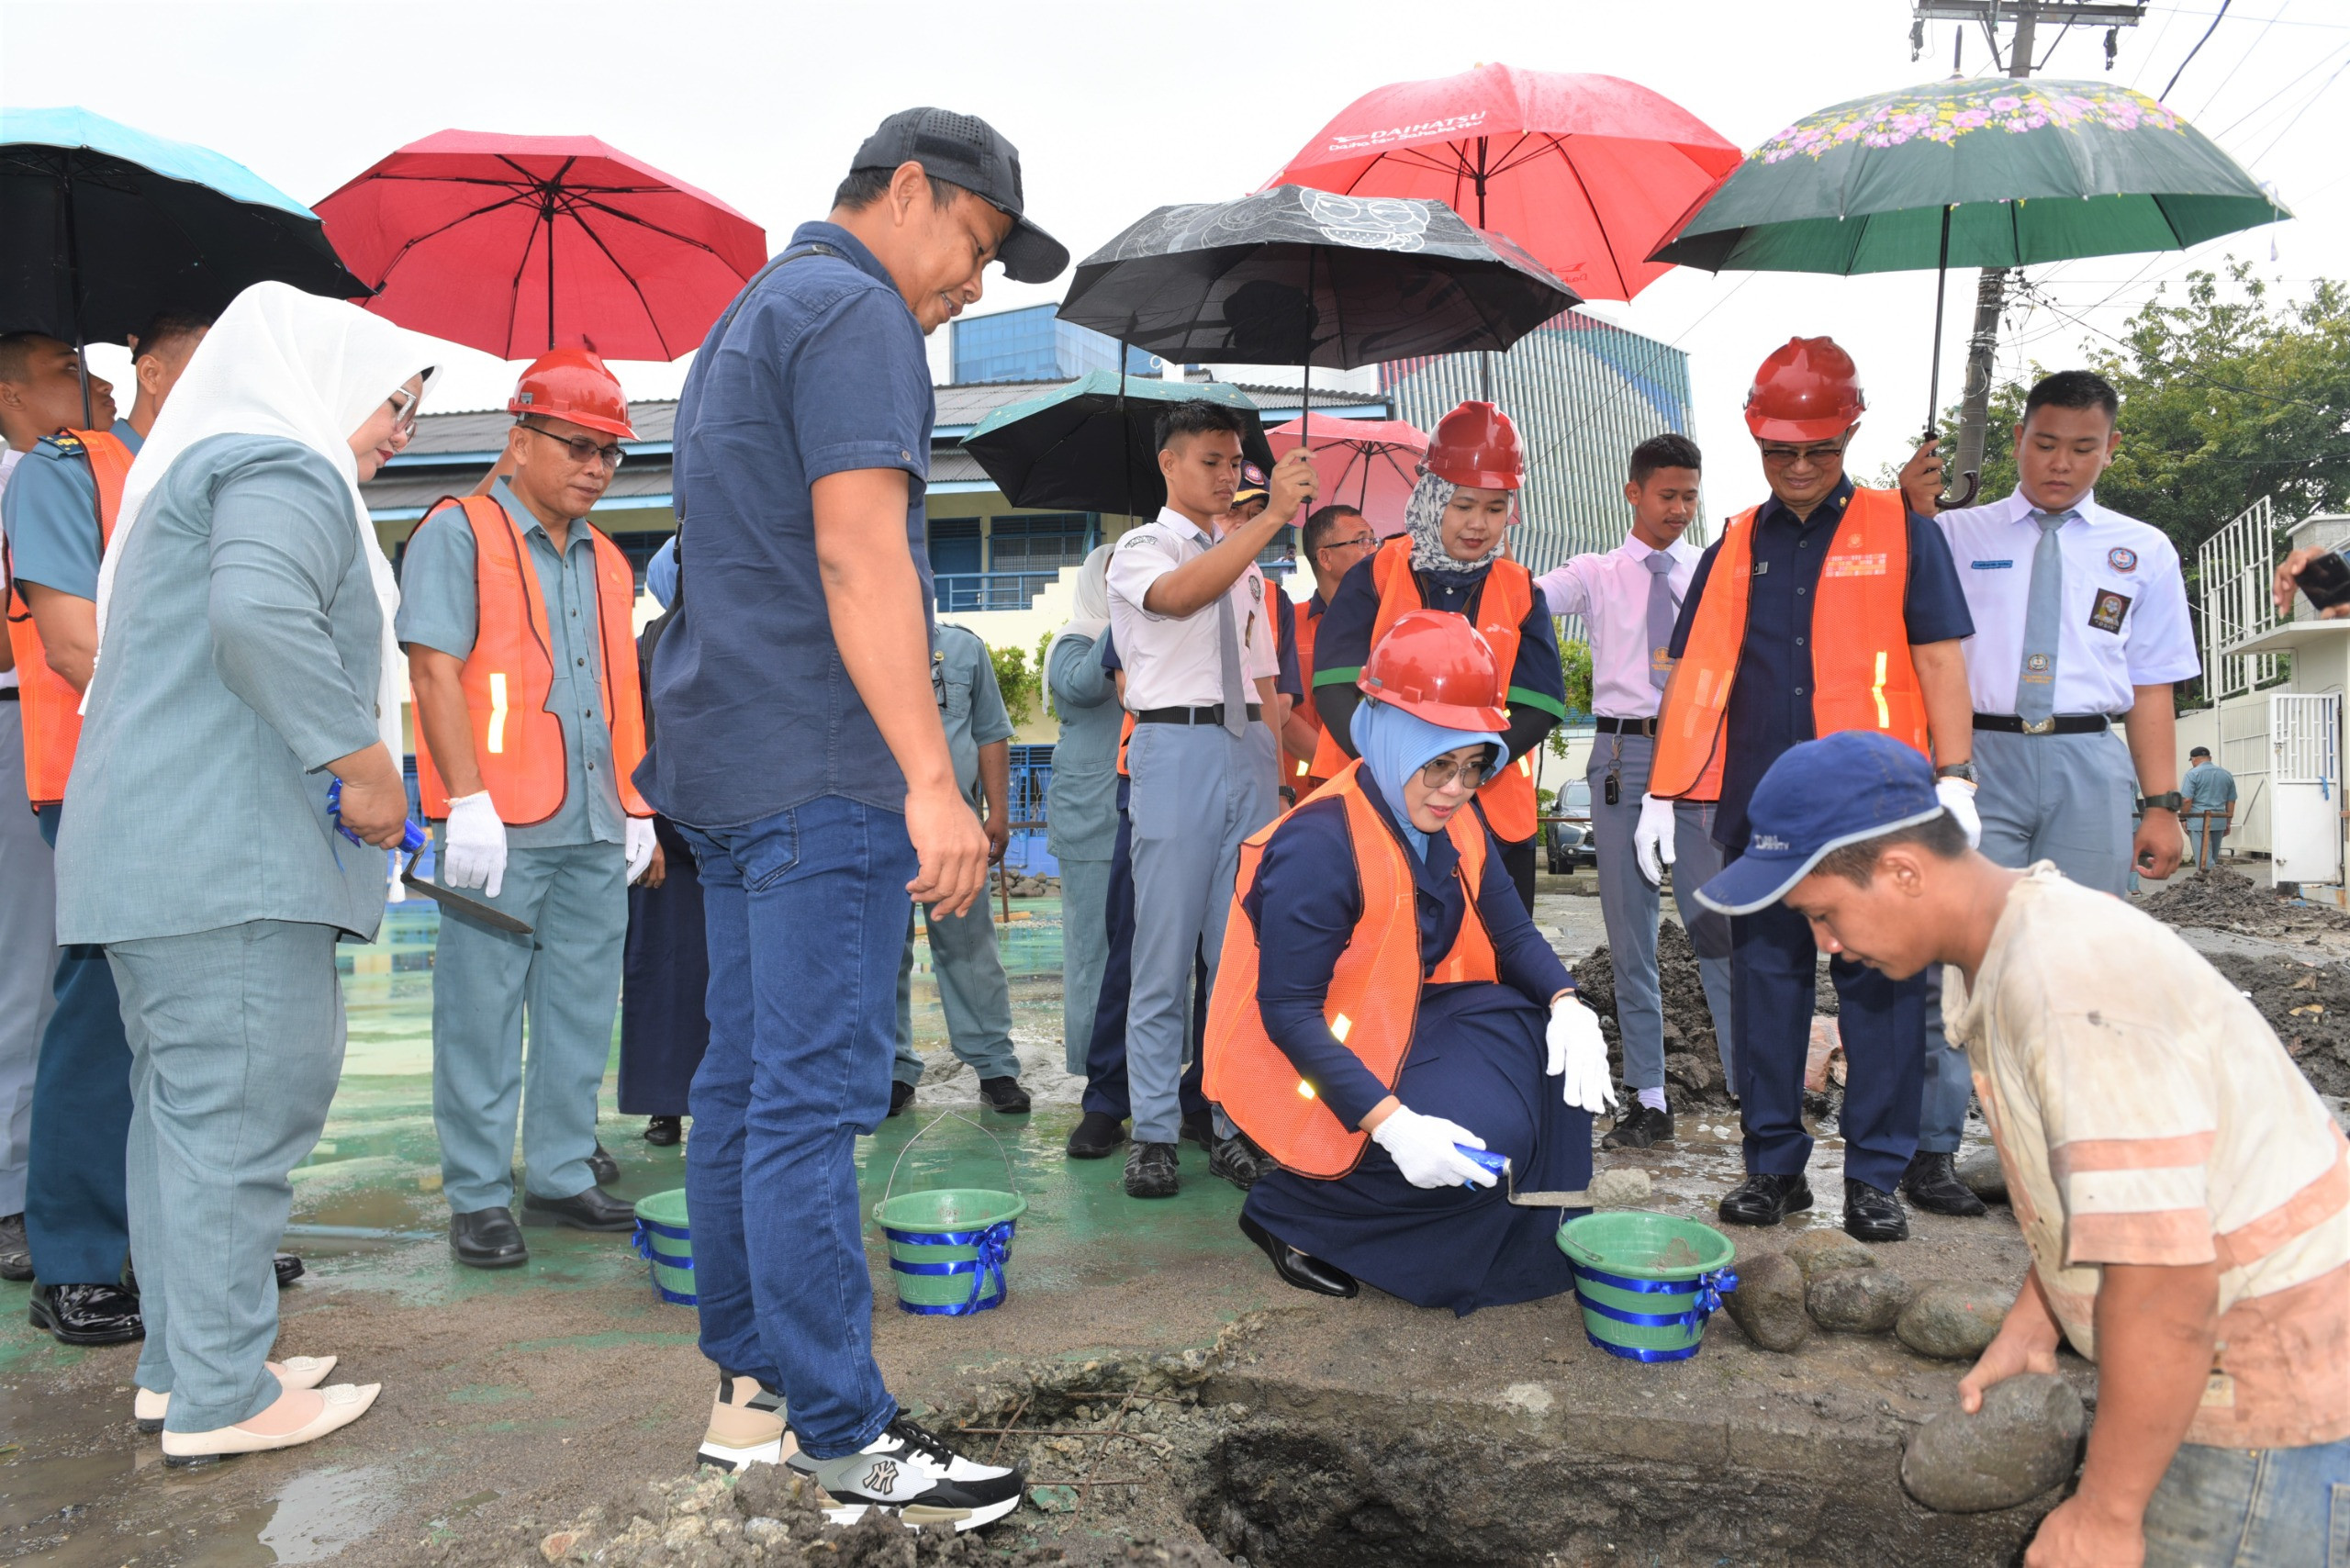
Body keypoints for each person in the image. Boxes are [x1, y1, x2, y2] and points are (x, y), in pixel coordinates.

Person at [640, 106, 1060, 1519]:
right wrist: (933, 781)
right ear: (908, 191)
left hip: (724, 762)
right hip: (818, 768)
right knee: (811, 1105)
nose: (974, 285)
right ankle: (848, 1437)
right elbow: (858, 549)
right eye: (975, 243)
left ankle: (752, 1395)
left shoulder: (752, 316)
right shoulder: (856, 311)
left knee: (743, 1093)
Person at [1710, 729, 2348, 1568]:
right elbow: (2108, 1194)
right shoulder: (2010, 948)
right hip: (2231, 1369)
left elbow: (2164, 1279)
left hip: (2266, 1409)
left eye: (1823, 913)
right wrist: (2037, 1315)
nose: (1826, 945)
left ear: (1904, 870)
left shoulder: (2064, 986)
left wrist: (2107, 1513)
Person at [54, 280, 436, 1462]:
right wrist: (366, 766)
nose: (402, 431)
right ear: (324, 378)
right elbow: (261, 616)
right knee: (239, 1113)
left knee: (181, 1122)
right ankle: (223, 1396)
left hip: (159, 857)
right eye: (396, 401)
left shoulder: (209, 465)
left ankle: (189, 1364)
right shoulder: (282, 466)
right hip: (224, 861)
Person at [1645, 336, 1974, 1243]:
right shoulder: (1734, 544)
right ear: (1755, 441)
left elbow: (1940, 657)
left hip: (1875, 820)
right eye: (1778, 450)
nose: (1797, 467)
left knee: (1880, 993)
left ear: (1848, 435)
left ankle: (1872, 1176)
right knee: (1767, 988)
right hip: (1767, 817)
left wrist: (1956, 773)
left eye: (1817, 450)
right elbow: (1694, 672)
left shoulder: (1901, 532)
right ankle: (1774, 1168)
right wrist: (1661, 794)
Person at [1207, 610, 1612, 1311]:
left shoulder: (1455, 819)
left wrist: (1568, 1003)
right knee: (1475, 1144)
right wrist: (1394, 1124)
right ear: (1394, 739)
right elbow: (1288, 1012)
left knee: (1548, 1063)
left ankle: (1510, 1230)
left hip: (1404, 1019)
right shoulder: (1319, 845)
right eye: (1438, 764)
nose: (1454, 789)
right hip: (1313, 1052)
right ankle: (1291, 1213)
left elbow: (1513, 939)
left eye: (1473, 766)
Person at [3, 316, 257, 1346]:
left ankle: (183, 1240)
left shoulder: (230, 478)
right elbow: (73, 644)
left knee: (201, 1016)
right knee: (103, 1005)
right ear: (148, 371)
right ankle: (73, 1254)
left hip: (214, 774)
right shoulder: (71, 469)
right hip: (104, 778)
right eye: (205, 364)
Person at [398, 350, 658, 1270]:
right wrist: (463, 799)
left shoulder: (610, 563)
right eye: (578, 445)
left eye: (609, 453)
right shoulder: (459, 531)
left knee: (582, 1007)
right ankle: (476, 1192)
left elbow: (621, 690)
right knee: (480, 1013)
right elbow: (432, 667)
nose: (595, 466)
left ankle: (555, 1169)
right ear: (517, 441)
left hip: (593, 819)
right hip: (496, 825)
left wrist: (636, 803)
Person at [1922, 367, 2198, 1214]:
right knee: (1961, 957)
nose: (2061, 463)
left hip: (2088, 760)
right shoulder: (1955, 534)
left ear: (2110, 450)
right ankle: (1931, 1149)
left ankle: (2057, 1156)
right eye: (2045, 443)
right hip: (1978, 762)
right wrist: (1912, 511)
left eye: (2083, 448)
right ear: (2018, 440)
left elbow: (2153, 685)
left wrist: (2162, 804)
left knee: (2081, 968)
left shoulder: (2141, 549)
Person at [1103, 402, 1313, 1199]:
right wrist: (1270, 520)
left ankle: (1230, 1120)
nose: (1228, 478)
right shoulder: (1142, 548)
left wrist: (1294, 770)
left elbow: (1265, 687)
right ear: (1169, 464)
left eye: (1236, 464)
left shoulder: (1250, 567)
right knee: (1163, 954)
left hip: (1248, 755)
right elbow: (1181, 596)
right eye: (1211, 463)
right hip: (1175, 747)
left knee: (1239, 958)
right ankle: (1152, 1131)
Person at [1532, 432, 1736, 1148]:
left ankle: (1751, 1090)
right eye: (1667, 495)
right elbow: (1523, 600)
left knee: (1718, 926)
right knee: (1631, 935)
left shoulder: (1713, 573)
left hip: (1704, 757)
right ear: (1633, 492)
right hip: (1624, 757)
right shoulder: (1595, 572)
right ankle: (1649, 1095)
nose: (1680, 509)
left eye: (1690, 496)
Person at [1310, 403, 1567, 912]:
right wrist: (1392, 768)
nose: (1479, 524)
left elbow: (1542, 704)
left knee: (1496, 958)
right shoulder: (1377, 573)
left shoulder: (1520, 590)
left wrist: (1468, 773)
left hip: (1491, 816)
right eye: (1464, 505)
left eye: (1495, 510)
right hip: (1374, 803)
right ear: (1433, 498)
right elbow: (1334, 684)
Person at [1061, 628, 1224, 1166]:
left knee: (1222, 955)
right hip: (1154, 783)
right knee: (1136, 948)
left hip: (1234, 787)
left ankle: (1206, 1095)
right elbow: (1130, 689)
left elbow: (1274, 696)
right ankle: (1110, 1097)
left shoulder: (1259, 596)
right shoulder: (1146, 585)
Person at [890, 620, 1031, 1115]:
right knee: (885, 952)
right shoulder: (855, 637)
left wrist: (996, 812)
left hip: (954, 822)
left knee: (969, 947)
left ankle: (995, 1068)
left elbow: (989, 733)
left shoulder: (963, 646)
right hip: (877, 819)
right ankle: (891, 1070)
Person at [618, 535, 703, 1149]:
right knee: (662, 969)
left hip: (721, 833)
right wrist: (641, 827)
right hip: (663, 841)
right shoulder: (640, 650)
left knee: (716, 973)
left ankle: (712, 1099)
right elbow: (626, 743)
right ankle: (664, 1104)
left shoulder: (724, 636)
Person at [0, 400, 51, 1287]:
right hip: (18, 720)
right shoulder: (24, 482)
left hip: (54, 728)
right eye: (66, 370)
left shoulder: (58, 475)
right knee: (25, 976)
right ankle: (13, 1194)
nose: (104, 388)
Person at [1043, 546, 1118, 1080]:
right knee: (1094, 951)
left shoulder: (1158, 636)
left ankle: (1162, 1068)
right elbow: (1083, 685)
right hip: (1091, 818)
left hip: (1147, 809)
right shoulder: (1076, 639)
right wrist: (1130, 616)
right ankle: (1099, 1075)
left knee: (1162, 953)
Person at [1287, 503, 1377, 798]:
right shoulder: (1289, 623)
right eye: (1361, 541)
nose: (1373, 550)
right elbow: (1277, 713)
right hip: (1304, 796)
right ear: (1324, 557)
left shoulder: (1390, 624)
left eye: (1374, 540)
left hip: (1378, 788)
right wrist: (1346, 769)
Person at [2180, 746, 2236, 869]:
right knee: (2213, 858)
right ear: (2210, 758)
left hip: (2198, 821)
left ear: (2193, 760)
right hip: (2219, 819)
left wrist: (2183, 818)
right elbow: (2231, 800)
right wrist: (2228, 822)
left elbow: (2186, 800)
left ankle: (2207, 883)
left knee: (2203, 860)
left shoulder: (2192, 774)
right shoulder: (2226, 774)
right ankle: (2215, 884)